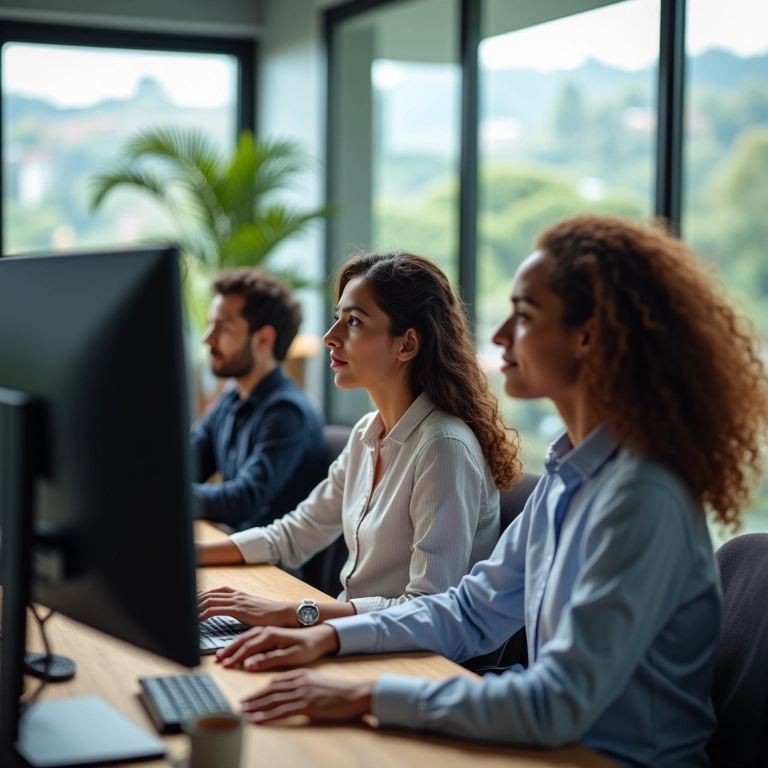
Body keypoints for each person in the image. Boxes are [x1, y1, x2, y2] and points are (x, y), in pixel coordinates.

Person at [216, 215, 768, 768]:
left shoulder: (641, 499)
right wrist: (332, 637)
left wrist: (366, 694)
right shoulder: (567, 477)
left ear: (587, 336)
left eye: (524, 316)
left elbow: (557, 703)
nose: (500, 335)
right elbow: (470, 610)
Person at [197, 252, 520, 625]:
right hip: (350, 634)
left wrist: (295, 613)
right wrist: (183, 554)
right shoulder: (367, 433)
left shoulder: (443, 446)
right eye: (338, 318)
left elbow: (428, 605)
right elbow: (294, 535)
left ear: (406, 344)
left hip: (407, 652)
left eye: (353, 321)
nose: (329, 337)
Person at [191, 268, 326, 531]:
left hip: (268, 557)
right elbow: (187, 464)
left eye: (222, 327)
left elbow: (243, 500)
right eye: (210, 325)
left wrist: (164, 493)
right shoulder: (230, 401)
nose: (207, 339)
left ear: (264, 339)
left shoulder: (287, 412)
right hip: (235, 546)